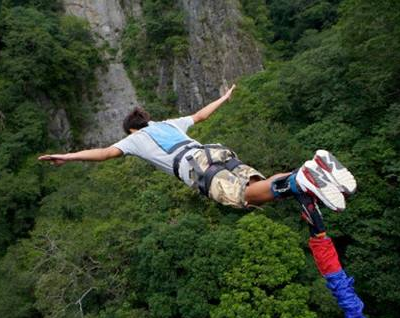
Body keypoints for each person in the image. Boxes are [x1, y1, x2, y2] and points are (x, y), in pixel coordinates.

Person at [38, 85, 356, 214]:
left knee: (245, 196)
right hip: (215, 152)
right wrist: (225, 97)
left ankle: (301, 181)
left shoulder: (134, 138)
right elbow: (202, 114)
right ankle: (309, 170)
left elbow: (105, 153)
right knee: (255, 184)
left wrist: (68, 156)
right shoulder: (170, 123)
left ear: (132, 129)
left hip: (196, 166)